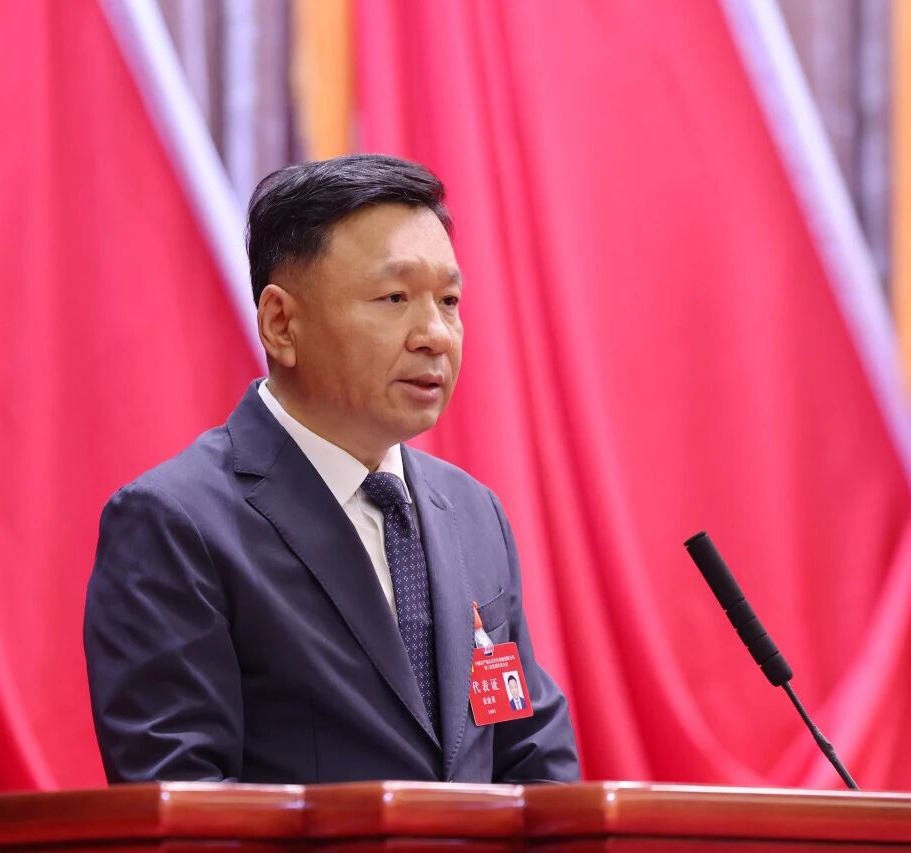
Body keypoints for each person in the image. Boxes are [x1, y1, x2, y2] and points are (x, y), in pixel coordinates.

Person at [83, 154, 579, 785]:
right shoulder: (177, 523)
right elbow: (183, 796)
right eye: (395, 297)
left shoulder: (473, 513)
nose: (435, 334)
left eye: (449, 300)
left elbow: (531, 757)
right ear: (281, 324)